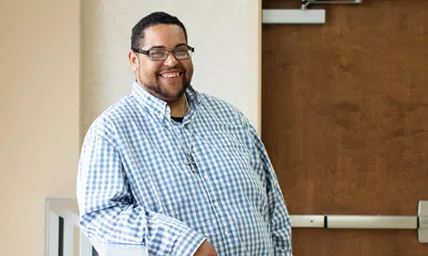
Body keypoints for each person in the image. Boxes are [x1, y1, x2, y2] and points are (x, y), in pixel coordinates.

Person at [77, 11, 292, 256]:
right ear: (134, 60)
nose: (171, 62)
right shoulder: (110, 132)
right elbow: (102, 217)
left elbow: (274, 206)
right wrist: (185, 244)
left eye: (180, 50)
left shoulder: (231, 118)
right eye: (157, 53)